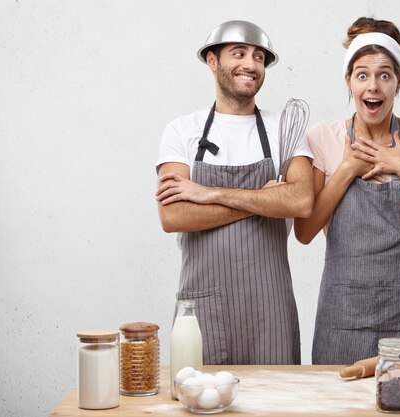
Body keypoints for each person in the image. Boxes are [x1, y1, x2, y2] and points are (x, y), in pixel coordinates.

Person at [295, 17, 400, 364]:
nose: (374, 87)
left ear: (399, 82)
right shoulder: (323, 137)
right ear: (348, 81)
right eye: (362, 75)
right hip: (341, 317)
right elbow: (304, 232)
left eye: (385, 75)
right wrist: (347, 169)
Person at [155, 20, 314, 365]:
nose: (250, 64)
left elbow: (301, 201)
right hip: (203, 308)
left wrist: (208, 194)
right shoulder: (181, 131)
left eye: (258, 57)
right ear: (213, 61)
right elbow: (174, 216)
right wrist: (265, 200)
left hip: (270, 307)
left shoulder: (282, 129)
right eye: (238, 54)